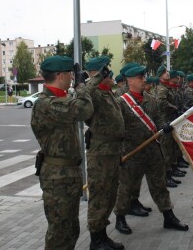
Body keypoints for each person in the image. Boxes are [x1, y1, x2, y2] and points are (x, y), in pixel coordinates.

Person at [114, 63, 189, 236]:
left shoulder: (151, 100)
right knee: (126, 187)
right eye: (140, 78)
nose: (144, 80)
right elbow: (116, 129)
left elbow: (158, 120)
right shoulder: (121, 103)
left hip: (153, 152)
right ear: (130, 80)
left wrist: (165, 127)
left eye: (143, 77)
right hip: (132, 153)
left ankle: (168, 216)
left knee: (159, 185)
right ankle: (120, 218)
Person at [31, 55, 94, 250]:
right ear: (60, 75)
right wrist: (82, 86)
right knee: (59, 232)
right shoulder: (46, 103)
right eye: (69, 74)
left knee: (71, 229)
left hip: (68, 174)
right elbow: (85, 109)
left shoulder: (60, 99)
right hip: (57, 177)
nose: (71, 78)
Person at [83, 57, 125, 250]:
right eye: (105, 71)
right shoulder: (93, 94)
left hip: (113, 152)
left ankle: (102, 236)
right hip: (100, 155)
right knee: (99, 196)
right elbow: (82, 94)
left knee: (109, 196)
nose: (110, 75)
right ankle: (95, 241)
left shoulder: (107, 94)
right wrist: (95, 78)